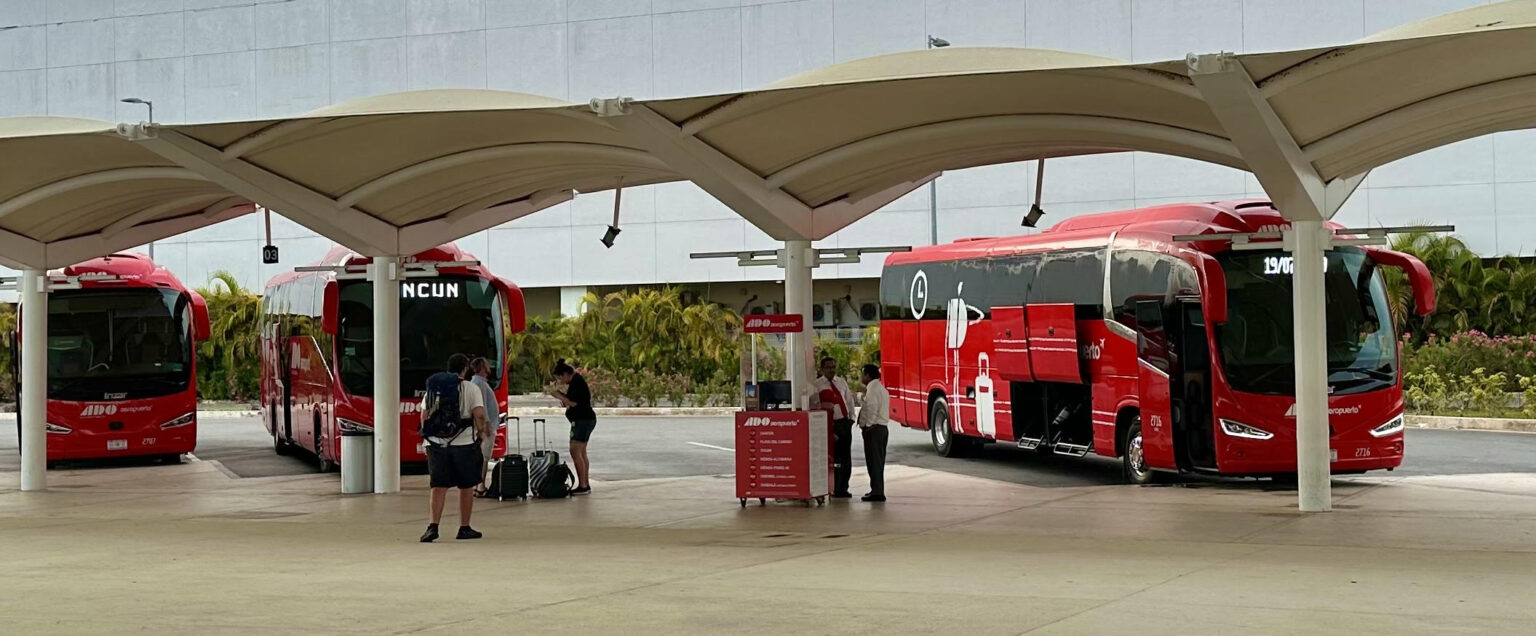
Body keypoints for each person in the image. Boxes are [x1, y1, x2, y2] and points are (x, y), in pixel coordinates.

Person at [420, 353, 488, 543]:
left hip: (435, 444)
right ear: (465, 369)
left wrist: (430, 437)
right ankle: (464, 528)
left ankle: (432, 527)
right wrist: (481, 433)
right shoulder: (471, 388)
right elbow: (479, 414)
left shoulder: (433, 389)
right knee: (466, 486)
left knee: (438, 486)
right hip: (463, 444)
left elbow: (424, 416)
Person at [812, 356, 855, 499]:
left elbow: (849, 401)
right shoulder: (817, 385)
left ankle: (844, 488)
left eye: (833, 367)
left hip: (844, 423)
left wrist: (851, 419)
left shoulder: (841, 382)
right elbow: (815, 406)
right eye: (828, 367)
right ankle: (834, 487)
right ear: (822, 369)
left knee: (846, 459)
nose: (831, 370)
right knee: (834, 458)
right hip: (831, 425)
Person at [549, 359, 595, 495]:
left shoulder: (576, 383)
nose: (562, 380)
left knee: (575, 450)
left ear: (566, 374)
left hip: (582, 420)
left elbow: (573, 403)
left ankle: (583, 485)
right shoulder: (576, 382)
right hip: (585, 419)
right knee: (581, 452)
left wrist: (558, 396)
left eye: (561, 377)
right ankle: (585, 483)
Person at [857, 364, 890, 503]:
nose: (861, 377)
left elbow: (872, 408)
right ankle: (877, 489)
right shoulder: (881, 388)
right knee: (878, 461)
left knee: (874, 461)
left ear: (868, 376)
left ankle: (877, 492)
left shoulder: (872, 389)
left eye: (862, 374)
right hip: (881, 428)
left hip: (874, 429)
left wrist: (868, 426)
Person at [469, 357, 500, 497]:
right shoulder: (479, 384)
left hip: (484, 425)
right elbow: (483, 407)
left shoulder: (476, 382)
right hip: (486, 426)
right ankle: (480, 485)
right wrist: (486, 425)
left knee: (481, 456)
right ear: (482, 367)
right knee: (484, 457)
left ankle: (478, 484)